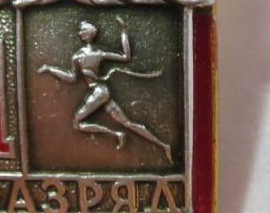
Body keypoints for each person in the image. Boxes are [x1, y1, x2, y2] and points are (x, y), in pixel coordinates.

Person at [38, 18, 172, 162]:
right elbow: (125, 56)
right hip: (102, 92)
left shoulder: (82, 56)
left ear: (88, 34)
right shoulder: (93, 54)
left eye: (82, 31)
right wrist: (123, 30)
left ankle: (116, 134)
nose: (79, 33)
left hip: (99, 92)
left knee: (77, 122)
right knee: (127, 123)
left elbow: (72, 78)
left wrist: (49, 69)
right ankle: (163, 145)